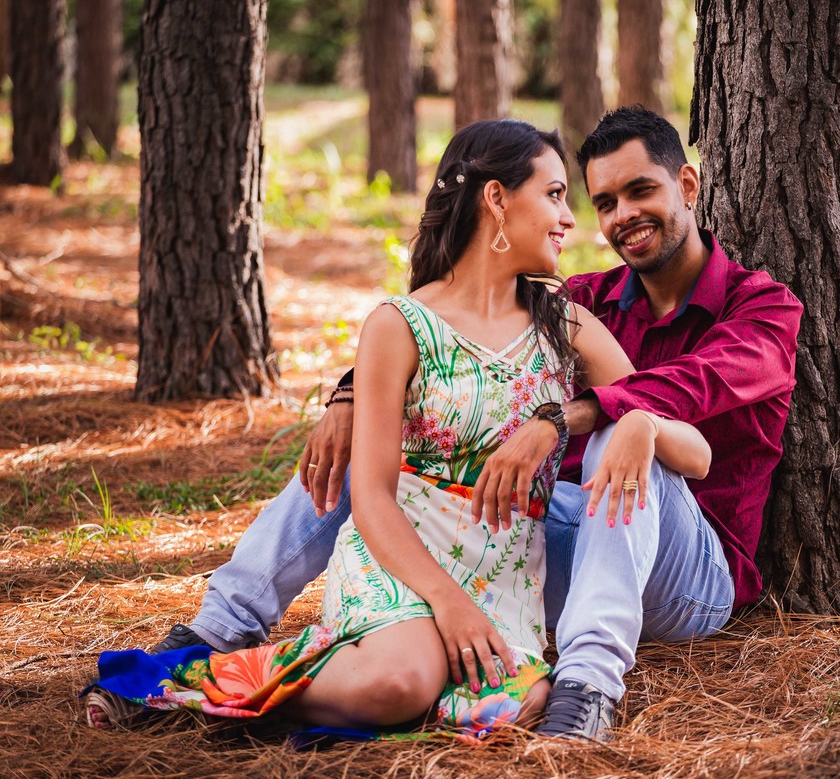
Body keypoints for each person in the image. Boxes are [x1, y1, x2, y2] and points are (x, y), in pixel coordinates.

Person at [140, 106, 803, 741]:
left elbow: (685, 389)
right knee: (378, 451)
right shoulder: (584, 298)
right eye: (603, 201)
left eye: (640, 191)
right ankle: (218, 631)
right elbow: (459, 340)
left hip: (689, 572)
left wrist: (586, 418)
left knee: (622, 432)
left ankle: (586, 688)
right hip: (556, 544)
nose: (619, 216)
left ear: (686, 185)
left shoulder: (763, 310)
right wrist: (349, 396)